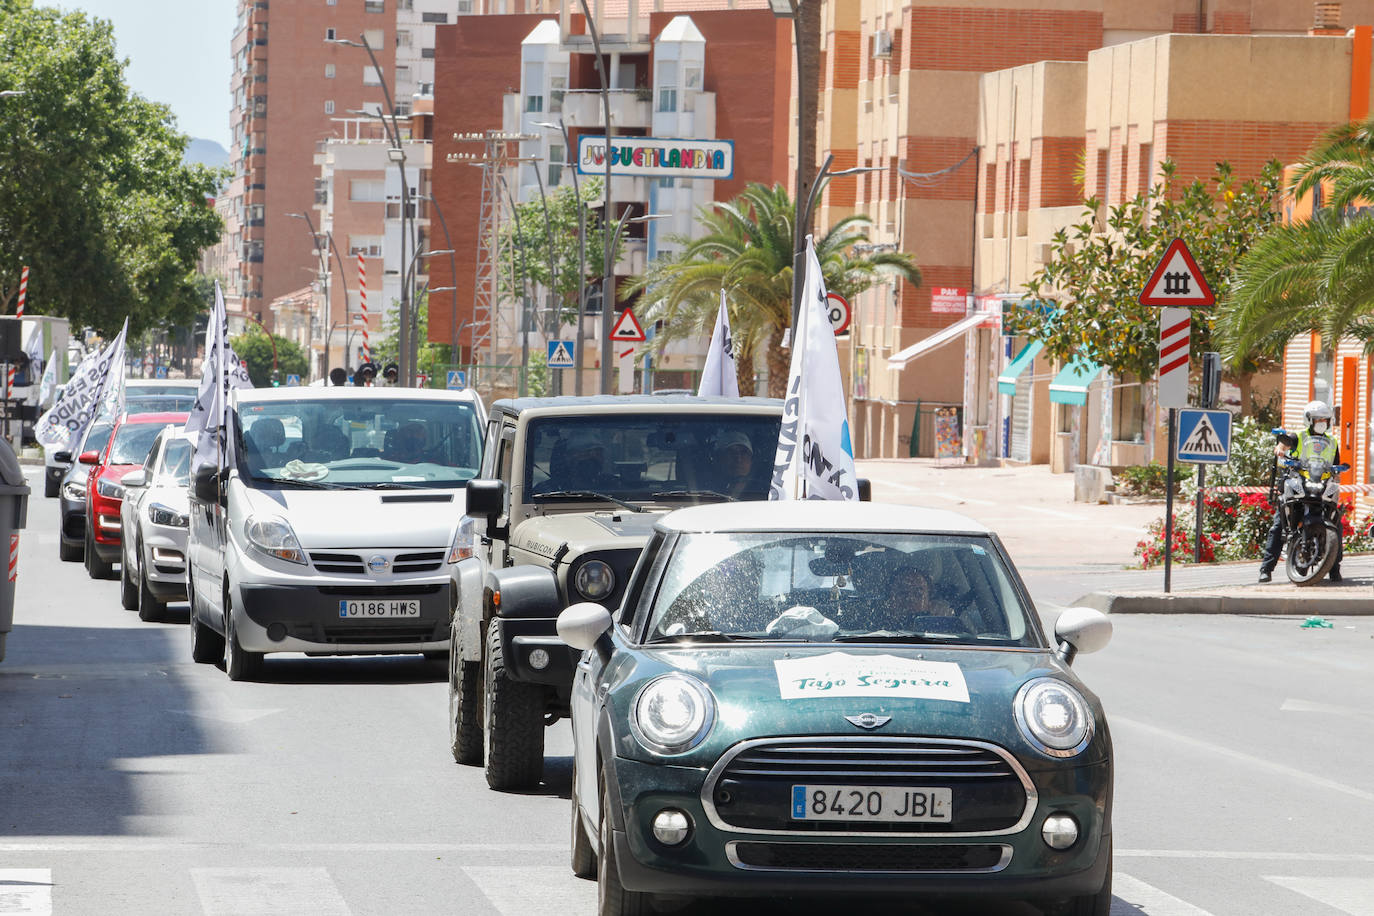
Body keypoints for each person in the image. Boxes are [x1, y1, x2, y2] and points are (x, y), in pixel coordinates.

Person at [1259, 400, 1342, 583]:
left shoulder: (1332, 441)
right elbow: (1282, 445)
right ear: (1309, 420)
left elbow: (1336, 466)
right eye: (1318, 419)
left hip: (1320, 484)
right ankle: (1266, 569)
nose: (1322, 422)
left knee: (1336, 522)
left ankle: (1335, 569)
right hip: (1299, 482)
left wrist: (1336, 478)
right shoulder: (1298, 436)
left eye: (1325, 419)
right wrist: (1280, 450)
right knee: (1279, 524)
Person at [712, 430, 754, 497]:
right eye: (731, 453)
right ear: (719, 459)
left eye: (744, 453)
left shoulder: (768, 492)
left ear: (751, 460)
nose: (738, 459)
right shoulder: (702, 491)